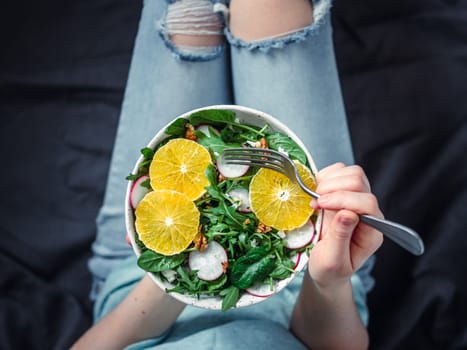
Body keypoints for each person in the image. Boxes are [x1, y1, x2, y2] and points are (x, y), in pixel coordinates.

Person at [73, 0, 384, 348]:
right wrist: (329, 281)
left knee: (189, 15)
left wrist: (171, 266)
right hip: (307, 268)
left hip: (137, 283)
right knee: (269, 10)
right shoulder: (319, 270)